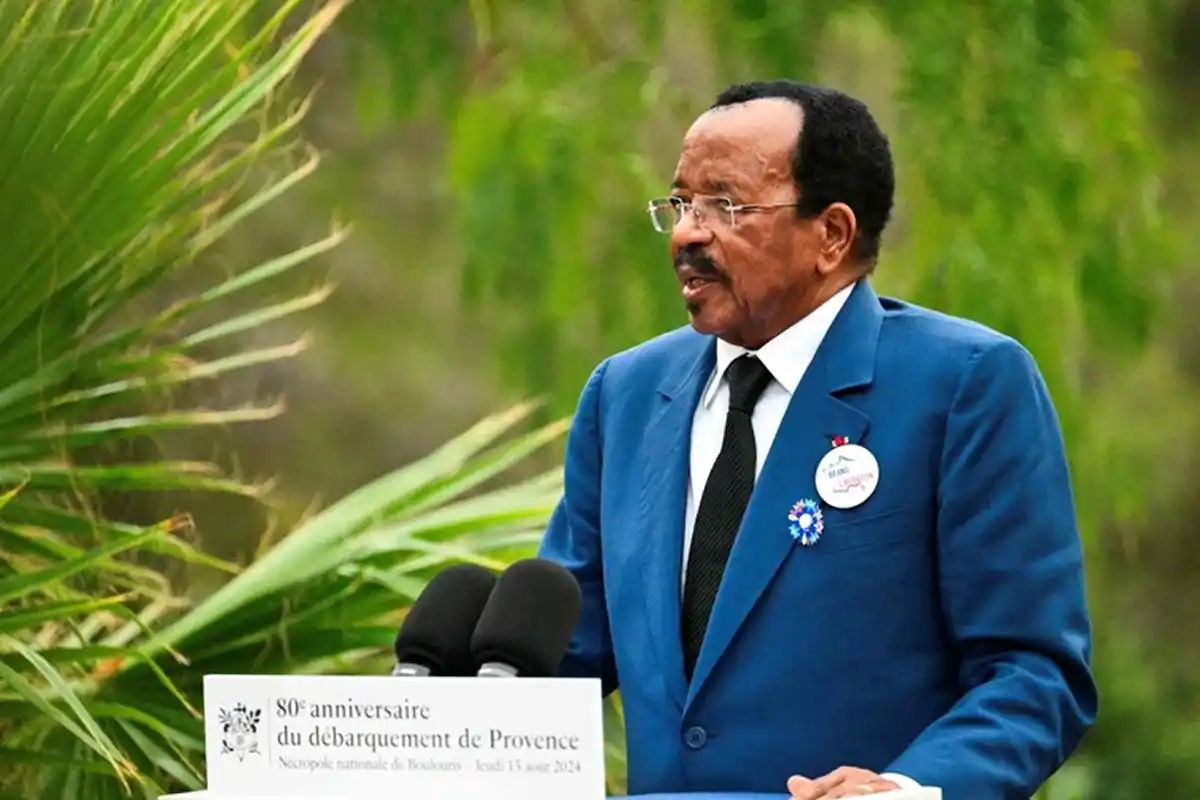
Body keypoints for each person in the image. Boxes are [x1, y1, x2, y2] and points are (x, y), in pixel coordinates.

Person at [536, 80, 1097, 800]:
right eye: (679, 204)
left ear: (831, 235)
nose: (686, 234)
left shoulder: (963, 386)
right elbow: (565, 652)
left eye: (724, 206)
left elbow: (1033, 671)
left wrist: (906, 788)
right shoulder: (626, 394)